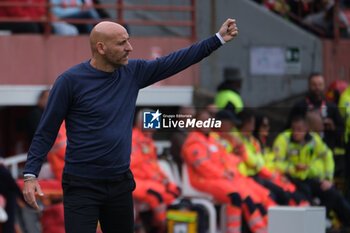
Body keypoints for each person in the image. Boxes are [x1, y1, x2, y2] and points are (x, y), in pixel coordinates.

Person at [22, 19, 239, 233]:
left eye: (128, 41)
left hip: (119, 184)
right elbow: (46, 131)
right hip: (81, 185)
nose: (130, 48)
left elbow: (176, 61)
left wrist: (217, 39)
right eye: (122, 43)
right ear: (101, 48)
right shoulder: (70, 81)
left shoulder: (133, 73)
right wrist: (31, 175)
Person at [181, 110, 276, 233]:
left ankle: (265, 230)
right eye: (202, 121)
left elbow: (225, 159)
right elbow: (203, 167)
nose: (205, 123)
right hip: (202, 180)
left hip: (221, 178)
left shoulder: (212, 140)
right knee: (235, 196)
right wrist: (224, 174)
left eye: (207, 121)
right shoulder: (194, 142)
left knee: (253, 197)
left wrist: (233, 166)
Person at [273, 115, 350, 227]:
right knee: (305, 192)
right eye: (293, 129)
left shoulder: (313, 139)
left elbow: (327, 156)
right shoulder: (283, 139)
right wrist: (293, 168)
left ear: (306, 129)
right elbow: (276, 163)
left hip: (308, 177)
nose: (295, 133)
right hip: (291, 178)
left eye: (299, 129)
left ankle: (337, 222)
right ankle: (314, 225)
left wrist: (328, 178)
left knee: (332, 193)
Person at [132, 110, 180, 233]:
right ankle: (162, 227)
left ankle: (155, 224)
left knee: (173, 191)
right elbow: (135, 166)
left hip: (149, 180)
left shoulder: (148, 141)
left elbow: (154, 164)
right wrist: (155, 178)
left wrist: (163, 178)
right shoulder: (133, 139)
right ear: (140, 123)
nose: (154, 129)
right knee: (156, 195)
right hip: (135, 180)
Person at [287, 73, 344, 151]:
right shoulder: (299, 106)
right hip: (304, 151)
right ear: (308, 86)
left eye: (320, 84)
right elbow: (288, 128)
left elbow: (342, 130)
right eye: (314, 85)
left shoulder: (332, 107)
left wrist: (333, 127)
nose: (317, 88)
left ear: (324, 86)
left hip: (327, 149)